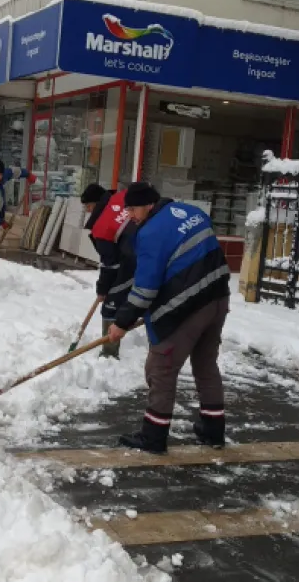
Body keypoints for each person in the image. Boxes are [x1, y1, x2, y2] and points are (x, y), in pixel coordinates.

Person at [107, 182, 231, 454]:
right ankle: (213, 430)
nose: (130, 215)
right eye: (126, 209)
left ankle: (153, 437)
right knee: (206, 364)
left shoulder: (150, 232)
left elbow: (145, 289)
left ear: (149, 205)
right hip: (218, 297)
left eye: (134, 209)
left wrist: (121, 323)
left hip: (188, 305)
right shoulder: (190, 211)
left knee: (160, 368)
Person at [80, 183, 137, 359]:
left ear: (96, 203)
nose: (89, 212)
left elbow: (110, 265)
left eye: (89, 206)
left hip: (132, 262)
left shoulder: (102, 228)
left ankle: (109, 354)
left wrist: (103, 289)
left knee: (112, 304)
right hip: (148, 254)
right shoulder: (122, 197)